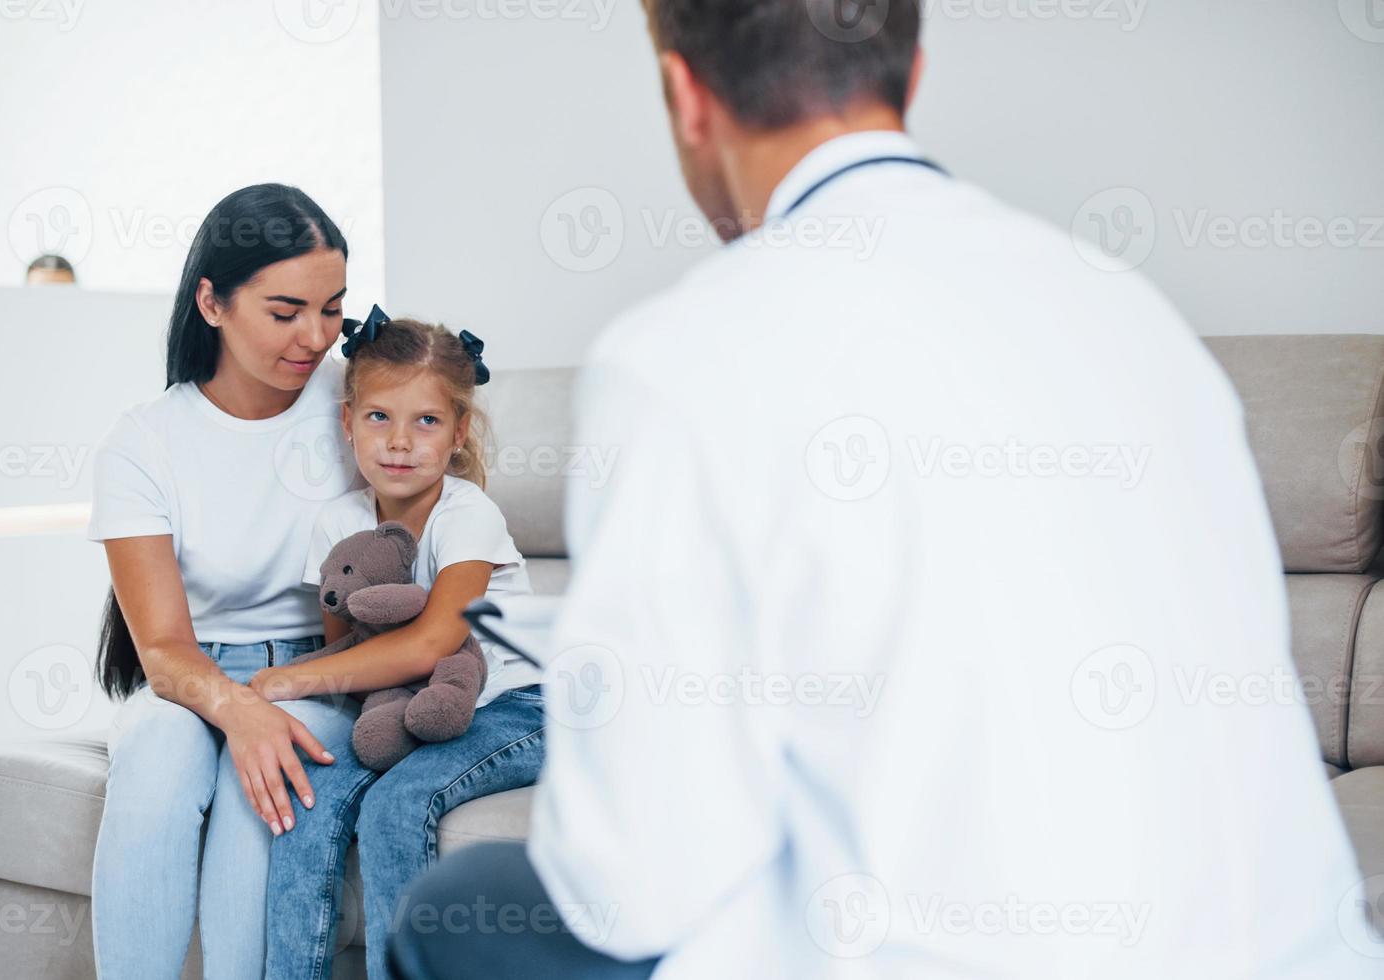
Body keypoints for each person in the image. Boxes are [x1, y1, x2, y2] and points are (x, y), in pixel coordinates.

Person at [390, 1, 1373, 977]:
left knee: (452, 908)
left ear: (687, 96)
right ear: (911, 74)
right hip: (1294, 954)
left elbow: (634, 881)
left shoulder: (686, 354)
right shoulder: (1135, 315)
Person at [88, 183, 362, 978]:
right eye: (285, 312)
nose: (315, 337)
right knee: (152, 761)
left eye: (333, 308)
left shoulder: (360, 405)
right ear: (211, 302)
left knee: (258, 800)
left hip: (323, 672)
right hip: (192, 676)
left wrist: (269, 710)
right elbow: (165, 651)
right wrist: (238, 709)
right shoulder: (144, 444)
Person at [255, 311, 543, 980]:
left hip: (515, 707)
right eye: (380, 418)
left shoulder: (468, 513)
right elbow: (349, 659)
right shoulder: (339, 523)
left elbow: (434, 641)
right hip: (396, 710)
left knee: (397, 805)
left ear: (459, 432)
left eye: (427, 422)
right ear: (348, 421)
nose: (400, 442)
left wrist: (283, 682)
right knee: (310, 798)